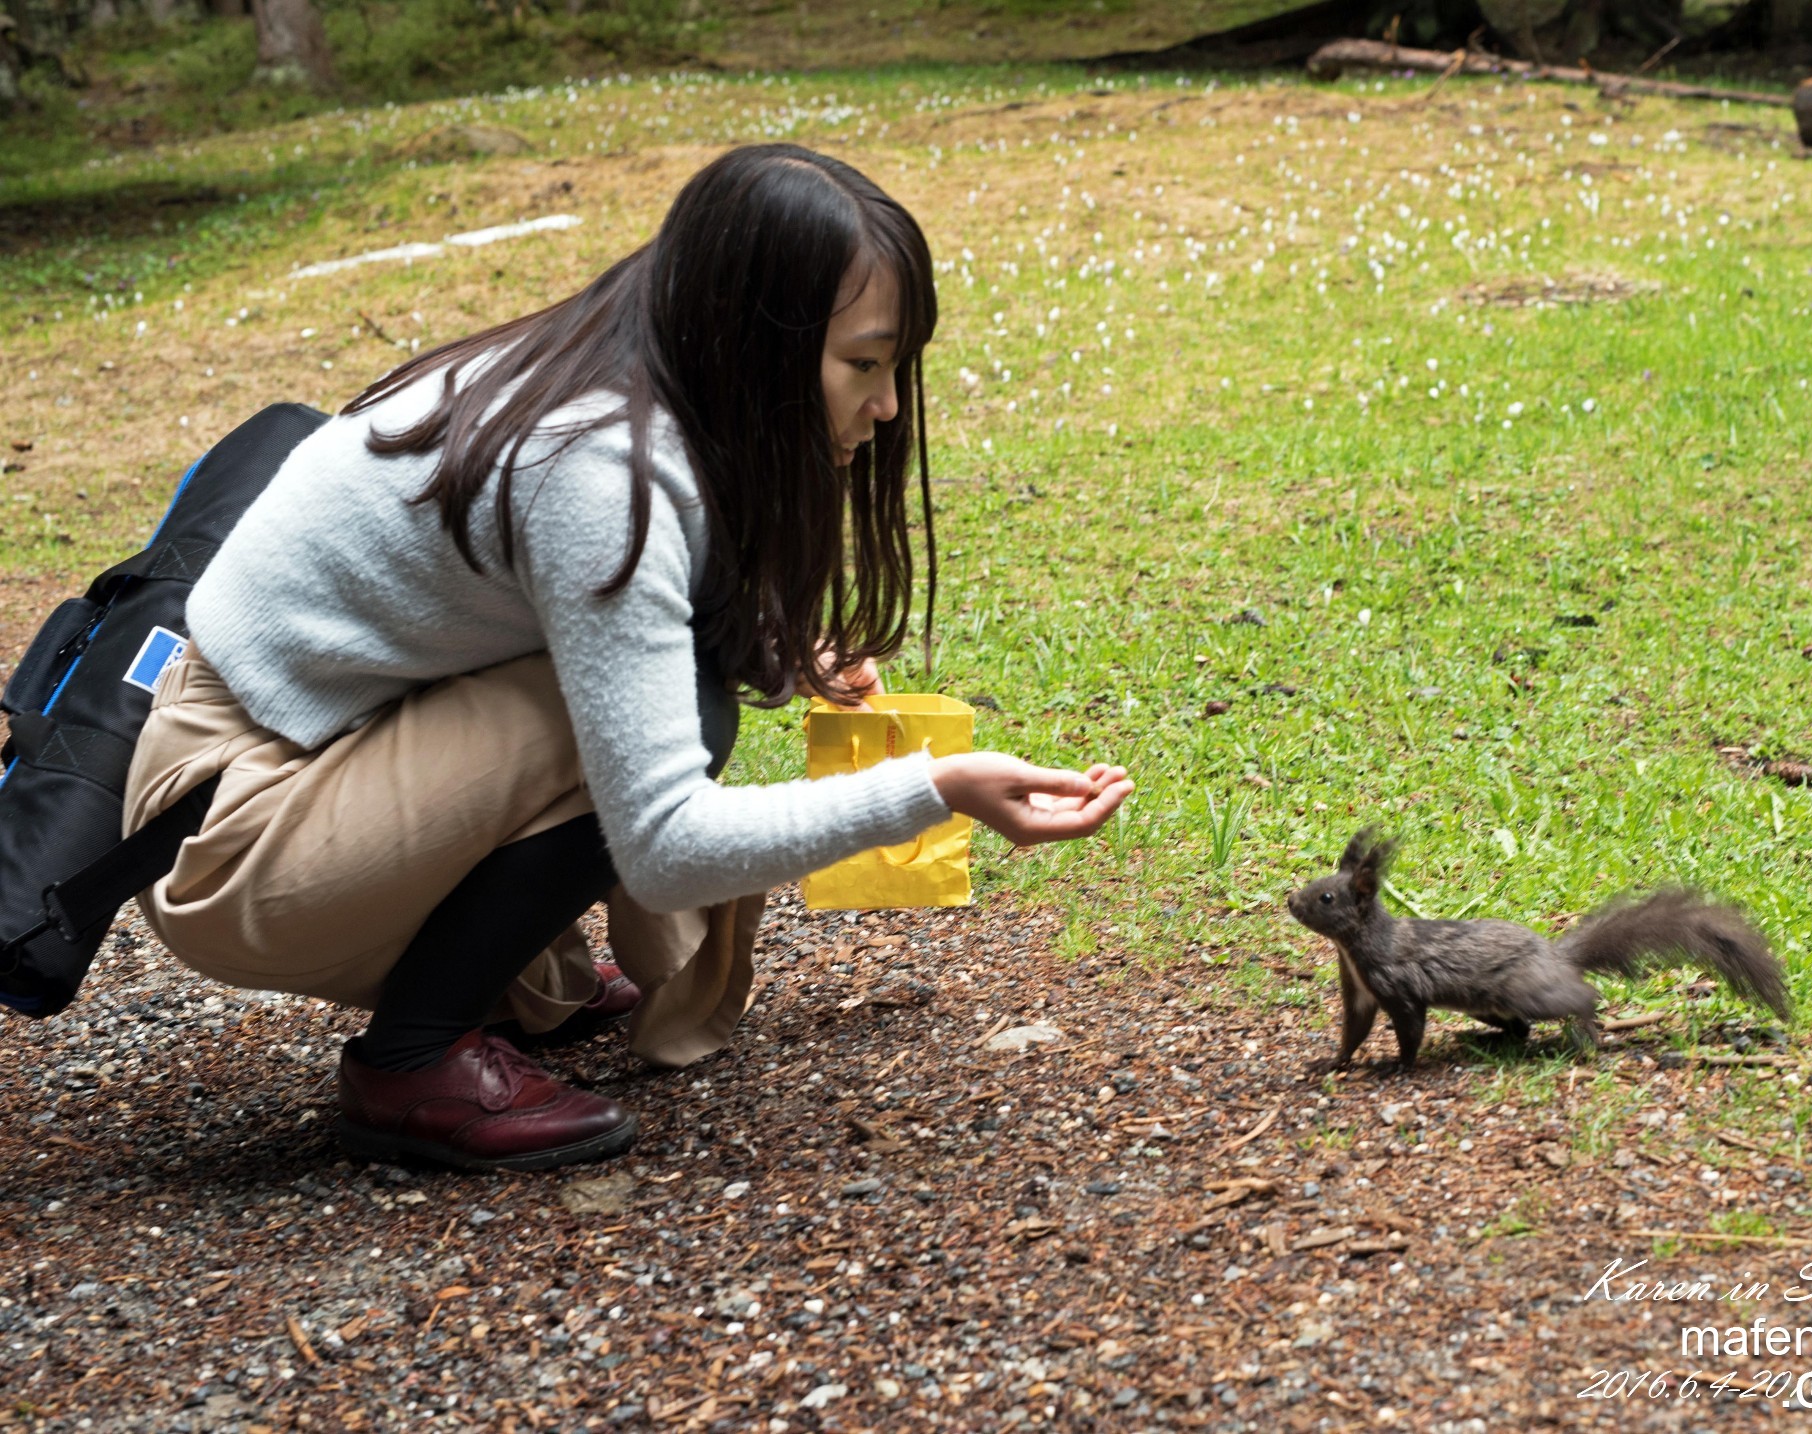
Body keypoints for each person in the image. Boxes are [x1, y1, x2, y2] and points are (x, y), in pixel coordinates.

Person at [120, 143, 1134, 1173]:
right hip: (234, 823)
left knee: (677, 694)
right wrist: (935, 788)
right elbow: (664, 841)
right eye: (863, 365)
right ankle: (410, 1062)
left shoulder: (645, 364)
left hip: (323, 749)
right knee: (681, 722)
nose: (884, 409)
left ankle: (504, 975)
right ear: (756, 341)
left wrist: (787, 650)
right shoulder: (597, 466)